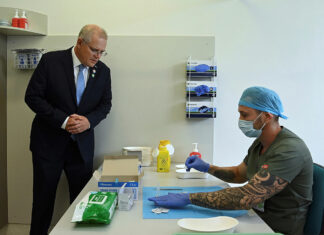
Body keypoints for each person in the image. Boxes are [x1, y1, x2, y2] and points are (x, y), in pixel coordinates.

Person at [149, 86, 313, 235]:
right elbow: (238, 174)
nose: (240, 119)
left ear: (267, 116)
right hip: (256, 217)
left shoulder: (290, 150)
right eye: (239, 113)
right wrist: (207, 167)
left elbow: (248, 196)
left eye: (245, 114)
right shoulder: (261, 143)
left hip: (276, 227)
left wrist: (189, 198)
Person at [25, 24, 112, 235]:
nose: (98, 56)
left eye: (102, 52)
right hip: (48, 146)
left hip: (81, 149)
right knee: (43, 203)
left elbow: (105, 105)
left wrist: (88, 122)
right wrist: (64, 121)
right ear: (80, 42)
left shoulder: (103, 72)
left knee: (82, 203)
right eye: (94, 50)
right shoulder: (51, 62)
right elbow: (32, 97)